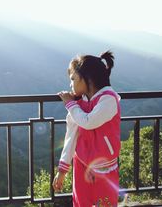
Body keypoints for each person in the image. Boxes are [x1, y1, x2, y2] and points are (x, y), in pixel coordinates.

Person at [52, 51, 121, 206]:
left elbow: (88, 122)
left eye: (73, 79)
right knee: (81, 202)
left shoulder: (108, 99)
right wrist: (62, 169)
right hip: (81, 163)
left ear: (88, 78)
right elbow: (71, 135)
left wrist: (70, 104)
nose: (71, 85)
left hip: (104, 166)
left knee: (106, 203)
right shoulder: (79, 104)